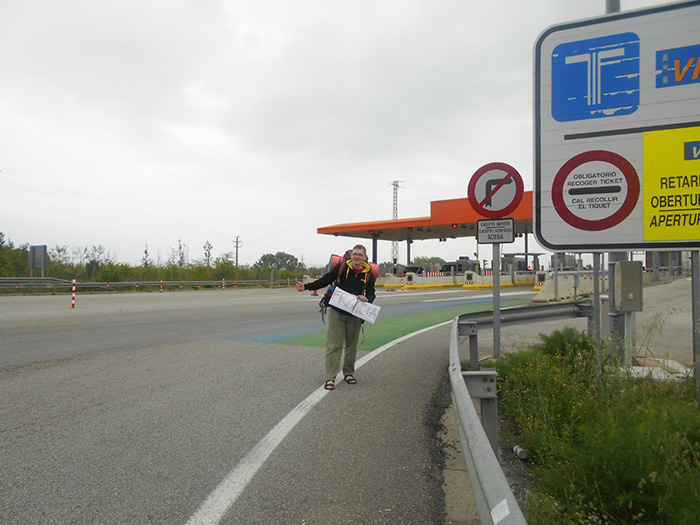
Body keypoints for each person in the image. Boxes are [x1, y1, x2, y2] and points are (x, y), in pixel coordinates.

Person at [296, 244, 376, 390]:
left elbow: (371, 292)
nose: (357, 257)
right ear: (351, 255)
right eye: (355, 254)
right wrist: (306, 287)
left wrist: (367, 299)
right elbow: (325, 280)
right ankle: (330, 377)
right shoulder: (342, 267)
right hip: (337, 311)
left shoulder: (368, 273)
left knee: (351, 346)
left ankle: (348, 373)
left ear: (365, 257)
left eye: (360, 254)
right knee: (334, 345)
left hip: (355, 313)